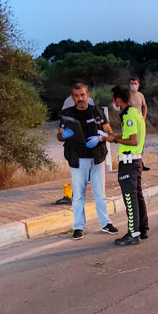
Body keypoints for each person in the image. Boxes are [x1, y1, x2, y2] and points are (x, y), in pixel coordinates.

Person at [57, 83, 118, 240]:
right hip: (77, 160)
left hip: (97, 158)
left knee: (100, 194)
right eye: (77, 96)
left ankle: (105, 223)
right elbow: (59, 135)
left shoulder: (97, 111)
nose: (80, 98)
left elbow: (110, 133)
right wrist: (64, 135)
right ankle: (78, 227)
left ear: (88, 95)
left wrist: (100, 137)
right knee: (78, 196)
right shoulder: (67, 114)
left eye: (83, 95)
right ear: (73, 98)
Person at [106, 85, 149, 246]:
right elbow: (130, 136)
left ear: (118, 100)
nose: (113, 103)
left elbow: (133, 140)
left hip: (129, 163)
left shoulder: (128, 115)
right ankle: (142, 229)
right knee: (137, 196)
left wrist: (114, 140)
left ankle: (133, 234)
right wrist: (114, 137)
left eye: (113, 99)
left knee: (130, 199)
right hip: (136, 161)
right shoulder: (136, 112)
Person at [129, 77, 150, 171]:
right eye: (132, 83)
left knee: (140, 143)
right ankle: (131, 164)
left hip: (140, 122)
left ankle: (140, 163)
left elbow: (145, 106)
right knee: (131, 143)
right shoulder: (127, 95)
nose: (133, 85)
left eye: (135, 83)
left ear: (138, 85)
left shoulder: (141, 95)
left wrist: (143, 117)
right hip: (130, 123)